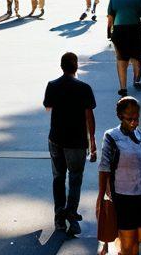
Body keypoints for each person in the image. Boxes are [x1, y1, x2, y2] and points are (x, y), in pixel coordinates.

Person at [96, 95, 141, 255]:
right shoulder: (111, 136)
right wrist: (101, 196)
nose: (134, 122)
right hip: (123, 197)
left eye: (136, 119)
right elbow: (104, 168)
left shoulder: (140, 136)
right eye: (129, 119)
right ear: (120, 117)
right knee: (129, 243)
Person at [43, 51, 97, 237]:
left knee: (58, 177)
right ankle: (72, 214)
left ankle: (59, 217)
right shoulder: (84, 88)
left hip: (56, 139)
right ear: (76, 67)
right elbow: (89, 116)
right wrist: (93, 142)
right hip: (77, 142)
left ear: (61, 66)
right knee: (75, 179)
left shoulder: (52, 85)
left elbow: (48, 106)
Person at [107, 0, 141, 95]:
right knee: (136, 57)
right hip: (135, 29)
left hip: (119, 30)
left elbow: (110, 19)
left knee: (121, 58)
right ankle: (136, 81)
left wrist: (109, 33)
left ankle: (123, 87)